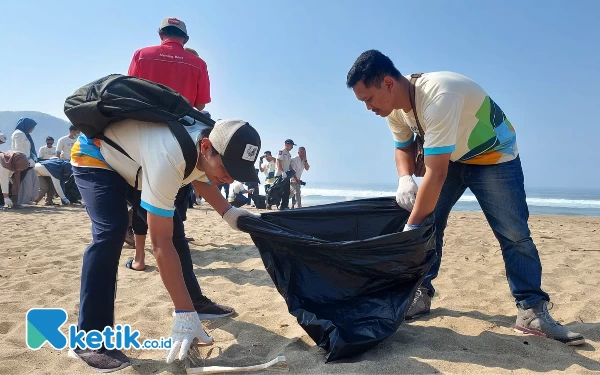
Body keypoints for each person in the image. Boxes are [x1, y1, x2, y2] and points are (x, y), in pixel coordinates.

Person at [346, 49, 585, 346]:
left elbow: (436, 174)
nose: (367, 107)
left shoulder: (439, 96)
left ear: (388, 83)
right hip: (452, 157)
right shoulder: (391, 107)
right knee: (431, 224)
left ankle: (532, 310)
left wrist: (411, 229)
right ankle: (421, 293)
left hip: (495, 156)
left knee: (514, 233)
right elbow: (403, 146)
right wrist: (405, 179)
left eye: (368, 98)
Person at [69, 117, 261, 371]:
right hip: (97, 156)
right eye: (227, 168)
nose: (229, 178)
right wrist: (182, 315)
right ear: (205, 147)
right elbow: (159, 244)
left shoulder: (207, 143)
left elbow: (201, 175)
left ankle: (194, 303)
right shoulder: (170, 156)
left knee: (176, 230)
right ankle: (89, 339)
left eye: (238, 172)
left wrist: (228, 212)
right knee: (111, 232)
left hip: (137, 165)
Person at [128, 17, 210, 111]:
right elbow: (200, 106)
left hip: (143, 117)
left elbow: (129, 91)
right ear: (186, 39)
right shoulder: (199, 64)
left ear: (161, 35)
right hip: (181, 122)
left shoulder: (141, 55)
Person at [11, 118, 40, 207]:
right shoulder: (18, 134)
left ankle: (27, 199)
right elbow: (18, 148)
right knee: (25, 182)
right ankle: (21, 201)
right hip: (22, 161)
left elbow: (28, 148)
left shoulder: (25, 134)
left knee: (34, 181)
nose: (33, 129)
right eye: (32, 127)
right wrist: (27, 159)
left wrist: (32, 157)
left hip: (29, 162)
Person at [274, 139, 295, 210]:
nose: (292, 147)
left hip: (286, 176)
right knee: (278, 191)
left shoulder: (289, 154)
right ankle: (274, 204)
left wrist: (291, 170)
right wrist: (282, 172)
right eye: (291, 145)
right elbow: (278, 162)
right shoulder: (281, 152)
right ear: (287, 144)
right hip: (280, 175)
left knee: (286, 191)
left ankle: (284, 206)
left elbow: (288, 164)